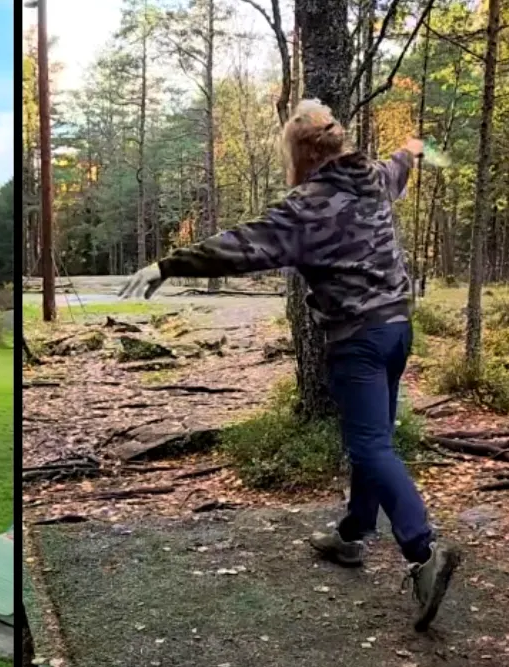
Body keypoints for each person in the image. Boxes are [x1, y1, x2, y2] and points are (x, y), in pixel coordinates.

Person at [118, 99, 460, 631]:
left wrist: (167, 264)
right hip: (397, 331)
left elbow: (241, 245)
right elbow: (405, 156)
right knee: (372, 440)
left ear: (300, 154)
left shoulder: (306, 208)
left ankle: (422, 551)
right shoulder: (372, 178)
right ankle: (352, 535)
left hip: (357, 340)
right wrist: (424, 148)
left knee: (370, 447)